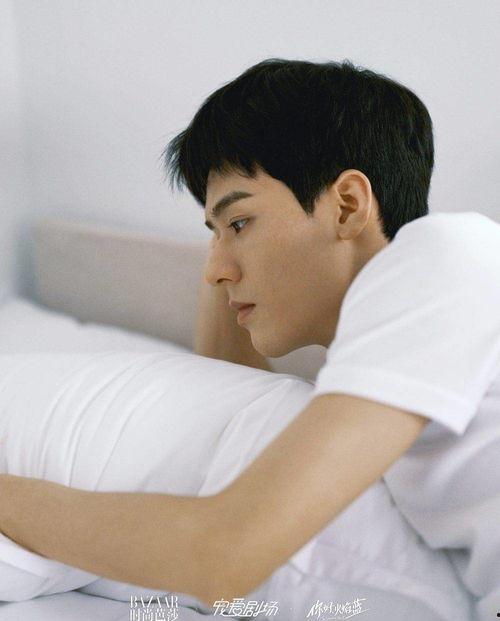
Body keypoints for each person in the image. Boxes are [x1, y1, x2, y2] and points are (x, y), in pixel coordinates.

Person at [1, 58, 499, 619]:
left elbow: (224, 555)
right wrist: (229, 236)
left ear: (348, 205)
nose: (214, 270)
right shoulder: (398, 335)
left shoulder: (449, 255)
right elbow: (225, 387)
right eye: (214, 234)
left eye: (239, 223)